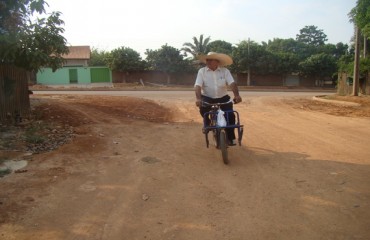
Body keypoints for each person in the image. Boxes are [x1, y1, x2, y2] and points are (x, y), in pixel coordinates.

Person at [194, 52, 242, 145]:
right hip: (208, 97)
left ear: (217, 62)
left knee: (230, 115)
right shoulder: (202, 71)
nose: (207, 61)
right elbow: (198, 86)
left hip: (223, 97)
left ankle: (230, 138)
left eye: (210, 60)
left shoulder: (225, 71)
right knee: (203, 109)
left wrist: (237, 95)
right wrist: (198, 99)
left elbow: (232, 84)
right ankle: (207, 123)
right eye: (207, 60)